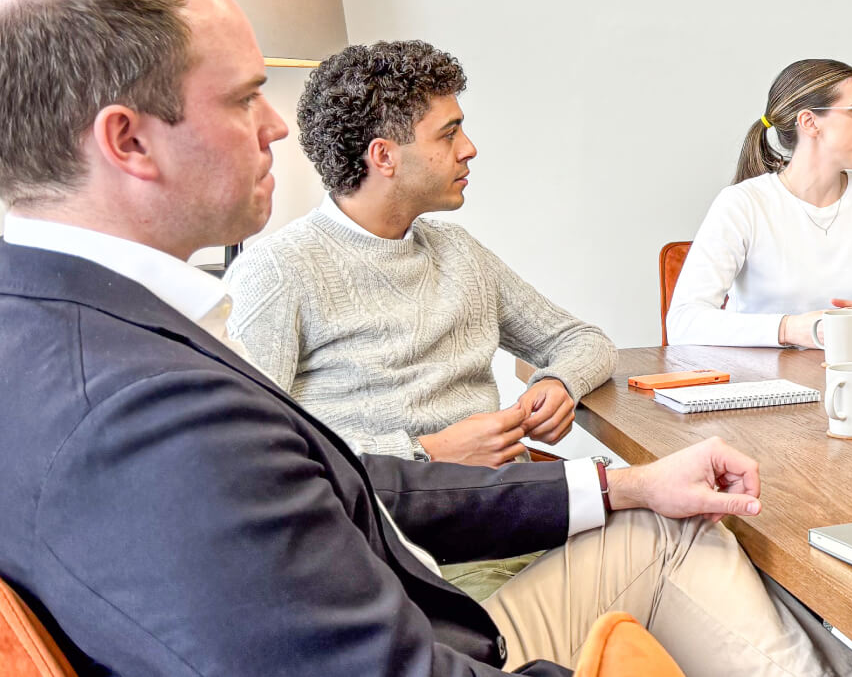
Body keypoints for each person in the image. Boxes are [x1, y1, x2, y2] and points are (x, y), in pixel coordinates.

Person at [0, 0, 852, 676]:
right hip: (448, 613)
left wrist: (622, 484)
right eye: (241, 97)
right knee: (697, 552)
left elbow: (349, 487)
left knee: (676, 526)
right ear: (128, 140)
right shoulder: (145, 408)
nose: (273, 125)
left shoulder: (69, 330)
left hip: (447, 558)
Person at [227, 40, 614, 469]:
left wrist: (561, 382)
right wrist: (426, 452)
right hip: (394, 523)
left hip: (512, 504)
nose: (469, 148)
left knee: (687, 508)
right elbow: (246, 446)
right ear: (383, 156)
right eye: (449, 134)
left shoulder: (459, 252)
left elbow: (583, 340)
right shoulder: (277, 270)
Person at [667, 58, 852, 349]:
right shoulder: (742, 204)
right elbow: (683, 322)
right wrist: (790, 329)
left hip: (850, 378)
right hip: (759, 386)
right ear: (809, 122)